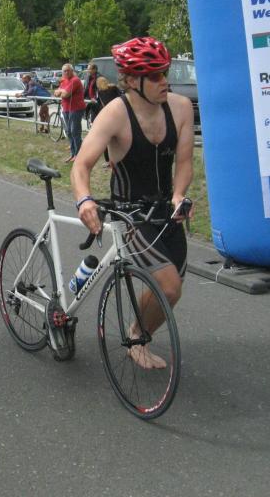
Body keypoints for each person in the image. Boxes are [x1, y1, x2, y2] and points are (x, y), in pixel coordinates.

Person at [70, 37, 194, 370]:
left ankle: (138, 332)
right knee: (168, 285)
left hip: (166, 212)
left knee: (171, 290)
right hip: (130, 214)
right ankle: (137, 340)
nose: (164, 80)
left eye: (165, 72)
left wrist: (179, 194)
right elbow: (81, 165)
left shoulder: (181, 107)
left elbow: (184, 163)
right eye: (154, 76)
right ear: (130, 81)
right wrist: (84, 200)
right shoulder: (115, 113)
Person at [53, 63, 85, 162]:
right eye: (64, 71)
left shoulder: (75, 80)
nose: (66, 72)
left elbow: (65, 95)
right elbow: (56, 93)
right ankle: (73, 153)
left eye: (68, 70)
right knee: (68, 132)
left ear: (72, 71)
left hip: (76, 109)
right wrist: (61, 91)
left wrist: (61, 91)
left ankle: (78, 154)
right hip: (66, 109)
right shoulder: (64, 81)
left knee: (75, 131)